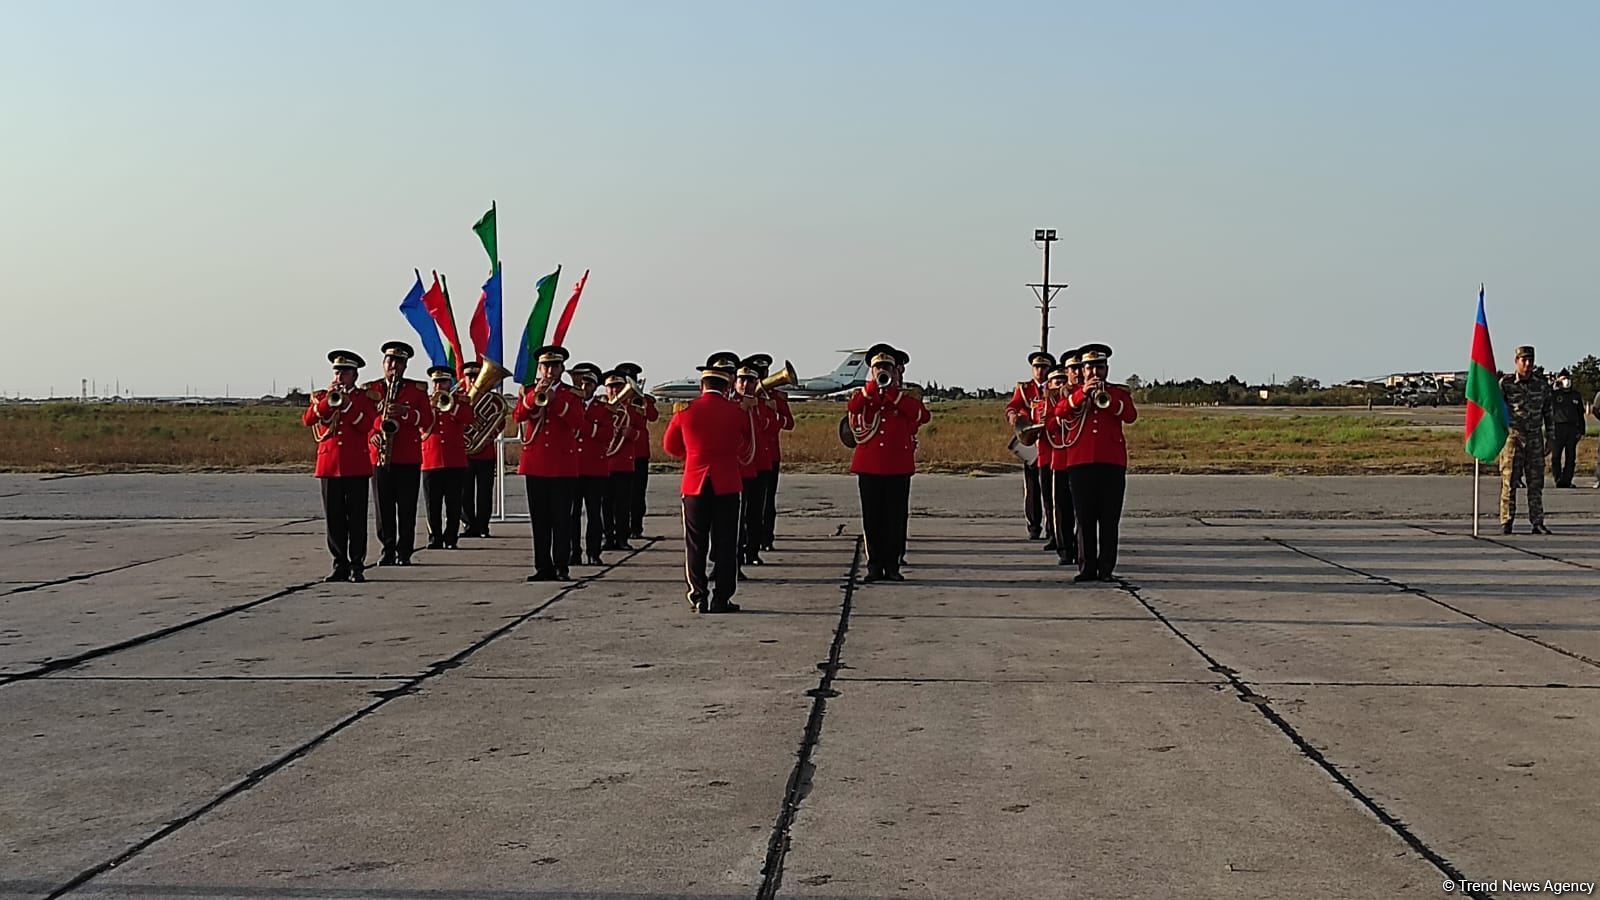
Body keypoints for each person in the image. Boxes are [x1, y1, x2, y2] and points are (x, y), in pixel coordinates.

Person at [663, 364, 750, 613]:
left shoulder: (684, 411)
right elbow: (747, 446)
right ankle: (722, 598)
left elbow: (669, 445)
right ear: (726, 386)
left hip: (694, 483)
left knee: (695, 544)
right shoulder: (737, 412)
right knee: (726, 544)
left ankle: (699, 595)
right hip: (727, 483)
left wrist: (690, 457)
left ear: (702, 386)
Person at [1055, 342, 1137, 582]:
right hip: (1080, 463)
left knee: (1109, 519)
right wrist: (1081, 395)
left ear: (1106, 369)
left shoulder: (1118, 392)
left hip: (1111, 463)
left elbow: (1130, 415)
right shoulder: (1071, 393)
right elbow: (1060, 412)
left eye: (1099, 367)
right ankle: (1087, 567)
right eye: (1090, 368)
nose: (1094, 372)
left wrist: (1108, 400)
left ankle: (1106, 569)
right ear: (1082, 370)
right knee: (1085, 518)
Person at [849, 344, 930, 583]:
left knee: (895, 518)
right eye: (877, 368)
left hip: (898, 465)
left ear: (896, 371)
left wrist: (893, 394)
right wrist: (873, 388)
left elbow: (920, 416)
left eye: (887, 368)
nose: (882, 371)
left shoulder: (906, 397)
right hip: (869, 465)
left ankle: (892, 565)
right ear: (871, 371)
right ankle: (874, 565)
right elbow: (853, 408)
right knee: (872, 518)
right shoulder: (863, 394)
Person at [304, 350, 379, 583]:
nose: (340, 376)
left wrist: (347, 406)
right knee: (334, 520)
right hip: (329, 465)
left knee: (356, 519)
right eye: (337, 371)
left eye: (345, 372)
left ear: (355, 375)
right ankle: (339, 564)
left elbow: (366, 425)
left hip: (355, 465)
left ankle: (357, 565)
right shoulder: (322, 396)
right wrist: (329, 402)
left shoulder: (366, 398)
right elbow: (308, 420)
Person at [513, 345, 585, 581]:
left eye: (555, 366)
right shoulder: (529, 391)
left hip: (563, 465)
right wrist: (536, 397)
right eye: (546, 366)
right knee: (540, 520)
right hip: (535, 464)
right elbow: (518, 416)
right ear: (540, 368)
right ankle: (542, 567)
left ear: (562, 368)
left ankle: (561, 566)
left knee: (562, 519)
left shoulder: (572, 394)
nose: (550, 371)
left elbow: (577, 422)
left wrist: (555, 403)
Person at [365, 341, 432, 566]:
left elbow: (427, 421)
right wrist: (372, 434)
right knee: (383, 507)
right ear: (383, 363)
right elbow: (360, 420)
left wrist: (405, 413)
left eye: (398, 362)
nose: (393, 365)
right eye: (389, 361)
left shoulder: (417, 390)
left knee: (406, 507)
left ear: (405, 366)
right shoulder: (370, 389)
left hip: (407, 457)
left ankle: (405, 551)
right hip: (381, 455)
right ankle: (387, 548)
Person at [1499, 345, 1553, 534]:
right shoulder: (1506, 384)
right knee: (1510, 481)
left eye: (1531, 360)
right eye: (1524, 360)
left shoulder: (1541, 385)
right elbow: (1496, 410)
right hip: (1513, 438)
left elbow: (1548, 412)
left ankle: (1537, 521)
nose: (1528, 364)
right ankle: (1507, 521)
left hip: (1535, 438)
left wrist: (1551, 437)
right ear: (1517, 362)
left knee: (1536, 482)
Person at [421, 366, 475, 550]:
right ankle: (434, 537)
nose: (439, 385)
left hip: (455, 459)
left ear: (449, 383)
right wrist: (432, 408)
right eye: (436, 382)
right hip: (430, 459)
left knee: (454, 502)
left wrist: (452, 405)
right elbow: (421, 425)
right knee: (432, 503)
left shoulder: (461, 401)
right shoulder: (426, 403)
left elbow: (469, 418)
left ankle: (451, 537)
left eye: (442, 382)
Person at [744, 353, 793, 552]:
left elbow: (789, 423)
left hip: (770, 456)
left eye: (765, 372)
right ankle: (747, 538)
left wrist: (775, 413)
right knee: (747, 502)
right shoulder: (745, 398)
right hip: (748, 457)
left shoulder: (776, 397)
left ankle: (766, 537)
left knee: (767, 500)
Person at [1006, 351, 1056, 541]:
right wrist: (1014, 417)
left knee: (1051, 488)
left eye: (1044, 367)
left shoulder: (1055, 385)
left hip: (1051, 442)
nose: (1040, 371)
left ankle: (1053, 526)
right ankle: (1034, 526)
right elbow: (1012, 406)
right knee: (1032, 486)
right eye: (1037, 367)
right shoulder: (1024, 388)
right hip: (1030, 440)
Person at [567, 363, 612, 566]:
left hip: (595, 467)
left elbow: (606, 435)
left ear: (595, 386)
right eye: (581, 382)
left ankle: (594, 552)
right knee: (571, 514)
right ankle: (573, 552)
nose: (584, 387)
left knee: (594, 513)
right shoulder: (571, 404)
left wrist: (584, 427)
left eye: (588, 383)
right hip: (573, 467)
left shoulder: (603, 409)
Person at [458, 360, 508, 539]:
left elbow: (500, 420)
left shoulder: (490, 399)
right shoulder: (458, 398)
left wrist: (488, 434)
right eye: (469, 376)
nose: (472, 380)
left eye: (476, 376)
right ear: (463, 378)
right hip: (464, 453)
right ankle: (469, 524)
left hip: (485, 451)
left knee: (485, 492)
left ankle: (483, 525)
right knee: (465, 492)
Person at [1040, 357, 1079, 567]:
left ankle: (1082, 549)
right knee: (1061, 508)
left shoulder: (1081, 393)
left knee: (1082, 510)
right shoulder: (1049, 399)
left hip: (1081, 458)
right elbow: (1046, 424)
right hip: (1060, 458)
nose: (1062, 383)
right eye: (1057, 380)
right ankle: (1064, 548)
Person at [734, 363, 774, 570]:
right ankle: (737, 554)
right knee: (738, 515)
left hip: (760, 464)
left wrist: (758, 407)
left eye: (750, 380)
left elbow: (770, 426)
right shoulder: (732, 405)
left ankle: (753, 551)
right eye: (742, 380)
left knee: (756, 513)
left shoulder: (762, 403)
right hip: (740, 466)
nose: (746, 384)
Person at [602, 369, 643, 552]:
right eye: (610, 387)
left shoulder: (632, 411)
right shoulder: (601, 408)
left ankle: (622, 538)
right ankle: (608, 537)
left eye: (618, 386)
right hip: (604, 464)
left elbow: (642, 433)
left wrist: (630, 433)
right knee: (606, 505)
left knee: (623, 504)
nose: (614, 390)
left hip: (624, 463)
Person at [615, 362, 657, 540]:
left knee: (638, 493)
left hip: (639, 452)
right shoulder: (615, 399)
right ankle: (618, 528)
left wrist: (644, 401)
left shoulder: (644, 399)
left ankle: (636, 526)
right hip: (619, 451)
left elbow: (653, 417)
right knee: (617, 495)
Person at [1549, 369, 1584, 488]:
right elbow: (1545, 394)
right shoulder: (1555, 394)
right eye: (1564, 379)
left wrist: (1581, 430)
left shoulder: (1576, 395)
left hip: (1572, 428)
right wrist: (1555, 383)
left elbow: (1580, 413)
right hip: (1558, 427)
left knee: (1571, 456)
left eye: (1568, 378)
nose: (1567, 381)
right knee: (1556, 456)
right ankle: (1558, 478)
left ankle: (1567, 480)